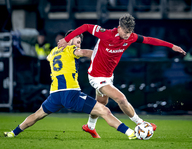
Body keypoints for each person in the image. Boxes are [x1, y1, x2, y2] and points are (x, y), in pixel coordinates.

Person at [57, 14, 186, 138]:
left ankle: (90, 126)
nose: (127, 35)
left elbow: (148, 40)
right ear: (119, 27)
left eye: (129, 32)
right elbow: (85, 26)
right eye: (125, 32)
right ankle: (141, 123)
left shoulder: (131, 37)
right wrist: (66, 39)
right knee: (121, 99)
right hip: (96, 76)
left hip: (108, 76)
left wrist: (171, 46)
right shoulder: (105, 33)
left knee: (101, 103)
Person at [4, 30, 138, 140]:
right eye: (77, 42)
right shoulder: (70, 49)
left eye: (80, 42)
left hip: (55, 94)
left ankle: (13, 133)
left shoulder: (53, 52)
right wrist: (102, 56)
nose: (78, 45)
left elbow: (49, 58)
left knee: (37, 115)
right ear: (69, 40)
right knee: (105, 111)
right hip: (71, 93)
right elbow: (84, 53)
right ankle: (131, 133)